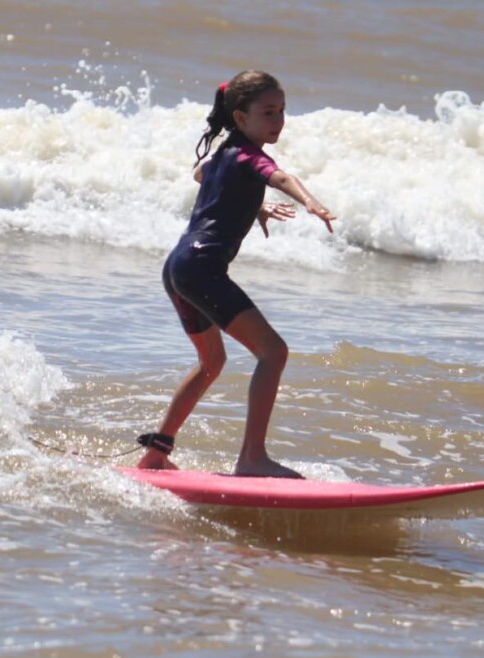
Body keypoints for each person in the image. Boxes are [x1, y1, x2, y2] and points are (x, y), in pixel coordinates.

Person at [136, 70, 336, 478]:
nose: (277, 120)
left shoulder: (225, 153)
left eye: (282, 111)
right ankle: (252, 459)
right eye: (267, 112)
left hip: (178, 266)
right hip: (202, 267)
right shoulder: (249, 154)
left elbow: (203, 176)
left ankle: (157, 452)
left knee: (211, 362)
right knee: (273, 352)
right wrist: (310, 202)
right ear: (241, 118)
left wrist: (253, 206)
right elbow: (280, 176)